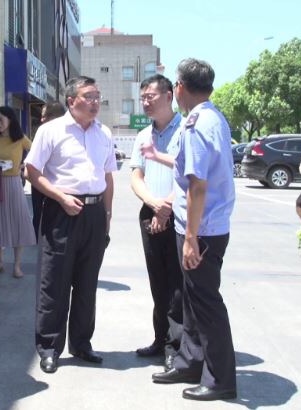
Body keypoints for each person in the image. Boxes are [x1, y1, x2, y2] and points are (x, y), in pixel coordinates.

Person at [143, 58, 237, 401]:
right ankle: (190, 362)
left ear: (180, 87)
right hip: (203, 226)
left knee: (206, 304)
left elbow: (197, 185)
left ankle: (220, 379)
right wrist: (157, 156)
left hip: (202, 230)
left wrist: (191, 239)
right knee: (193, 304)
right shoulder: (211, 117)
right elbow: (187, 165)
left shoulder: (197, 124)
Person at [25, 76, 116, 373]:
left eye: (97, 96)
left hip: (94, 214)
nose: (95, 102)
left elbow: (108, 176)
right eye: (88, 96)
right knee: (55, 282)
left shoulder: (104, 133)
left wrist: (107, 215)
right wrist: (60, 197)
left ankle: (81, 343)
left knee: (87, 283)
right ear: (71, 100)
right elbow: (32, 171)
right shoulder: (51, 130)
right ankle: (49, 347)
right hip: (61, 211)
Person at [129, 75, 183, 366]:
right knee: (158, 282)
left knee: (177, 284)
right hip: (150, 213)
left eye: (150, 96)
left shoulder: (186, 130)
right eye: (143, 98)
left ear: (169, 95)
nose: (146, 102)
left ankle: (177, 347)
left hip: (180, 214)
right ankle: (160, 339)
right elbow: (136, 176)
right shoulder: (143, 136)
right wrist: (153, 204)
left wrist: (167, 207)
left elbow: (190, 176)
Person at [0, 106, 36, 278]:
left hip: (13, 184)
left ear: (10, 120)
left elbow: (36, 152)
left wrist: (23, 165)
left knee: (18, 222)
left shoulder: (20, 138)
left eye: (1, 120)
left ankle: (17, 265)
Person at [30, 102, 66, 237]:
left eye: (44, 116)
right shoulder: (43, 132)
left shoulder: (69, 136)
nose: (41, 119)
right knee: (38, 218)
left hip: (59, 189)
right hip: (39, 184)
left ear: (55, 117)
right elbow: (30, 168)